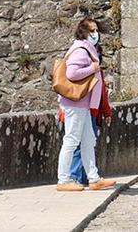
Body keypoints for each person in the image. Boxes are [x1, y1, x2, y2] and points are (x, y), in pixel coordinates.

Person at [56, 17, 117, 192]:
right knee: (71, 140)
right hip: (75, 103)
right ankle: (64, 180)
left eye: (96, 30)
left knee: (88, 141)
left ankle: (94, 178)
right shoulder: (81, 50)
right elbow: (72, 73)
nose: (95, 34)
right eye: (92, 31)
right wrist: (93, 69)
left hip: (82, 103)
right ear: (83, 32)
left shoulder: (86, 49)